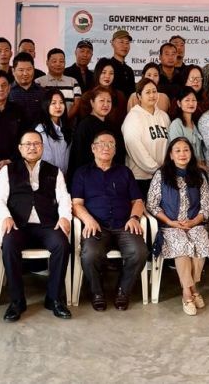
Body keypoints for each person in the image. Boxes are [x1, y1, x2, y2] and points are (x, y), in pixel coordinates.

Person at [0, 131, 73, 322]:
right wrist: (5, 216)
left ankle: (54, 299)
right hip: (19, 224)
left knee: (62, 245)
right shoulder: (8, 171)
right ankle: (17, 301)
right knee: (9, 245)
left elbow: (64, 198)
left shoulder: (54, 171)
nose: (32, 147)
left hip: (46, 225)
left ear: (42, 147)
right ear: (20, 148)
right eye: (27, 144)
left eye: (36, 144)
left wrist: (64, 217)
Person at [70, 129, 149, 311]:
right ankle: (96, 292)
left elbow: (137, 201)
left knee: (139, 252)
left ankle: (123, 291)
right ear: (93, 148)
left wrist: (135, 217)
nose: (106, 148)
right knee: (90, 254)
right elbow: (76, 204)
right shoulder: (82, 173)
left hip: (124, 225)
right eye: (102, 144)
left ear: (115, 150)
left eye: (111, 145)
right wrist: (88, 219)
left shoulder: (125, 172)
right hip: (96, 227)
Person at [146, 138, 209, 316]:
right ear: (170, 155)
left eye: (186, 150)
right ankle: (189, 292)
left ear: (191, 154)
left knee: (201, 243)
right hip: (171, 225)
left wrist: (194, 222)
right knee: (182, 246)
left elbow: (207, 205)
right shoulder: (161, 174)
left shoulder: (198, 174)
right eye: (177, 150)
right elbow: (152, 204)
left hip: (194, 223)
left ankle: (191, 287)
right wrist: (170, 222)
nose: (182, 154)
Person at [122, 79, 171, 194]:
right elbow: (135, 147)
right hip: (141, 178)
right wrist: (156, 169)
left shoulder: (164, 116)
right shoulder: (133, 117)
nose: (152, 95)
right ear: (139, 96)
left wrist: (165, 170)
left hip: (162, 176)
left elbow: (170, 144)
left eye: (154, 91)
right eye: (147, 92)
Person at [69, 87, 126, 183]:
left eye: (109, 101)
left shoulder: (113, 126)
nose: (106, 104)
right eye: (101, 101)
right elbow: (79, 158)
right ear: (92, 102)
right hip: (90, 179)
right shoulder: (84, 126)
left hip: (113, 177)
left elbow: (120, 153)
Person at [74, 59, 126, 127]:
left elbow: (122, 120)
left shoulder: (120, 96)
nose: (107, 76)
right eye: (104, 72)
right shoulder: (87, 96)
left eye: (111, 73)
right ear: (98, 73)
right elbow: (84, 122)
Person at [34, 89, 72, 177]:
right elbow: (46, 159)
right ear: (46, 105)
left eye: (61, 102)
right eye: (53, 103)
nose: (58, 106)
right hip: (49, 178)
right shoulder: (41, 130)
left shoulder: (66, 128)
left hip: (65, 177)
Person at [167, 87, 206, 170]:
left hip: (198, 170)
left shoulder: (195, 123)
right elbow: (177, 152)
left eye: (194, 100)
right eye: (187, 100)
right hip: (184, 170)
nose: (191, 103)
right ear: (179, 103)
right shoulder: (176, 124)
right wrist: (199, 166)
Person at [96, 30, 136, 98]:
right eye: (121, 42)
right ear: (112, 44)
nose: (125, 46)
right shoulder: (107, 66)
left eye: (127, 43)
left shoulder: (129, 70)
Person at [8, 52, 44, 123]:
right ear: (13, 71)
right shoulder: (7, 92)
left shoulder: (42, 92)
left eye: (29, 69)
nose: (25, 73)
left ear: (33, 69)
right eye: (21, 70)